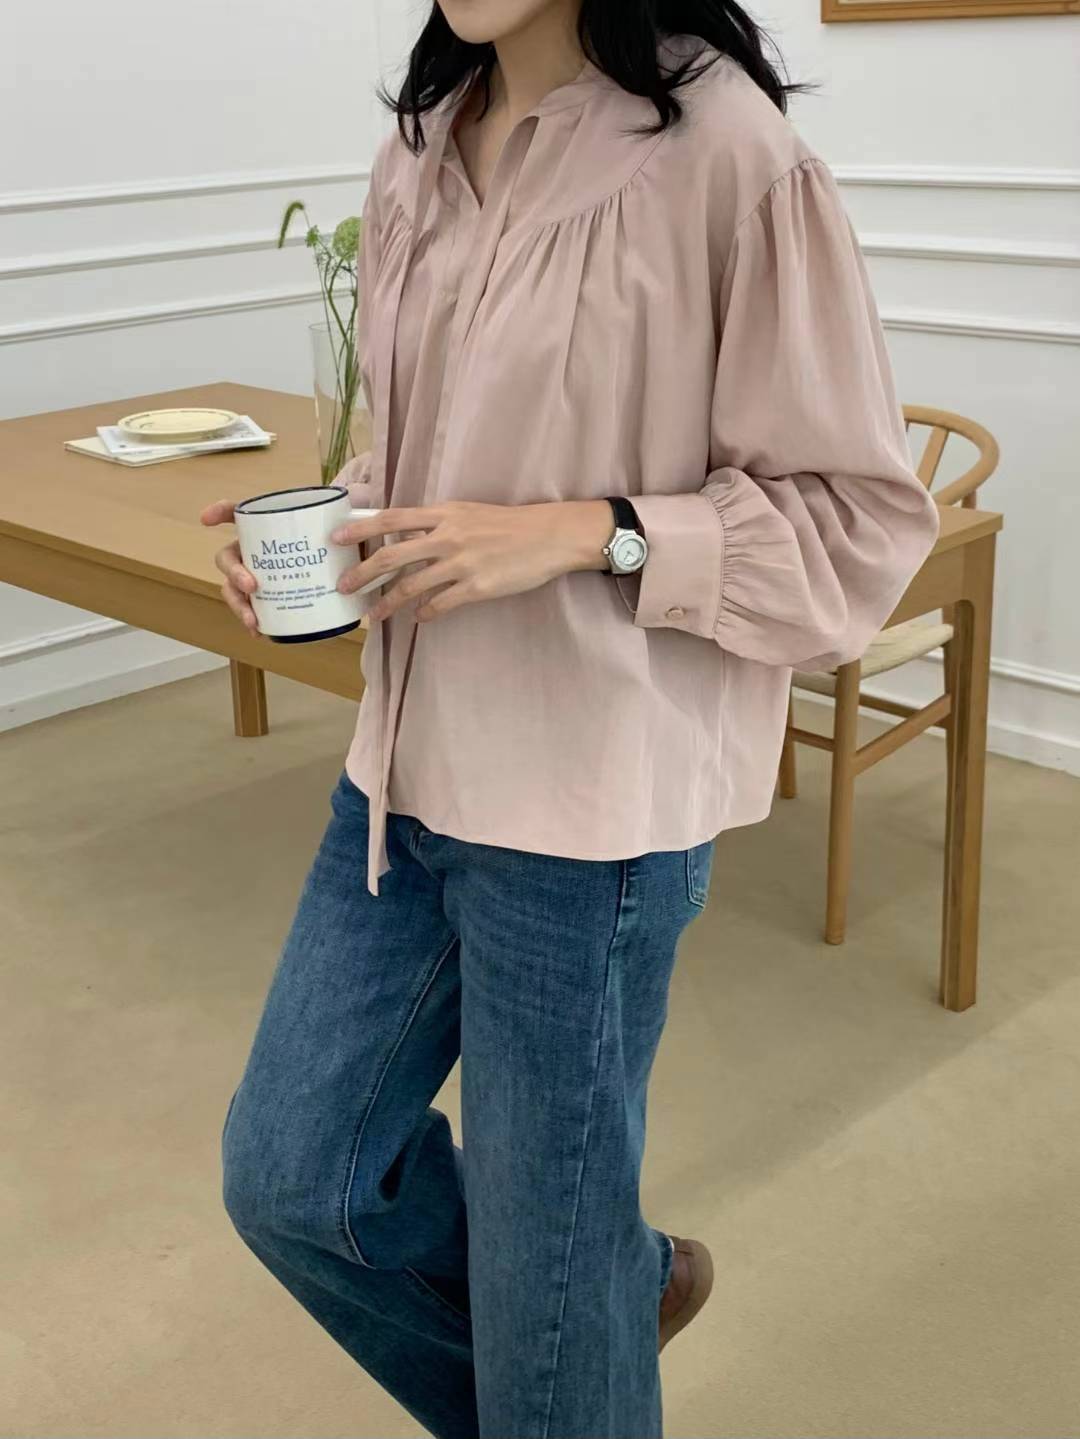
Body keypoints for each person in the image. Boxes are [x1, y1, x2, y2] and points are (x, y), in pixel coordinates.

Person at [202, 1, 940, 1435]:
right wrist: (337, 533)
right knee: (294, 1178)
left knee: (549, 1305)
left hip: (589, 808)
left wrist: (589, 530)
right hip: (404, 774)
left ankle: (581, 1320)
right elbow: (424, 456)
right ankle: (605, 1301)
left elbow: (855, 526)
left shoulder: (730, 155)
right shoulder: (423, 145)